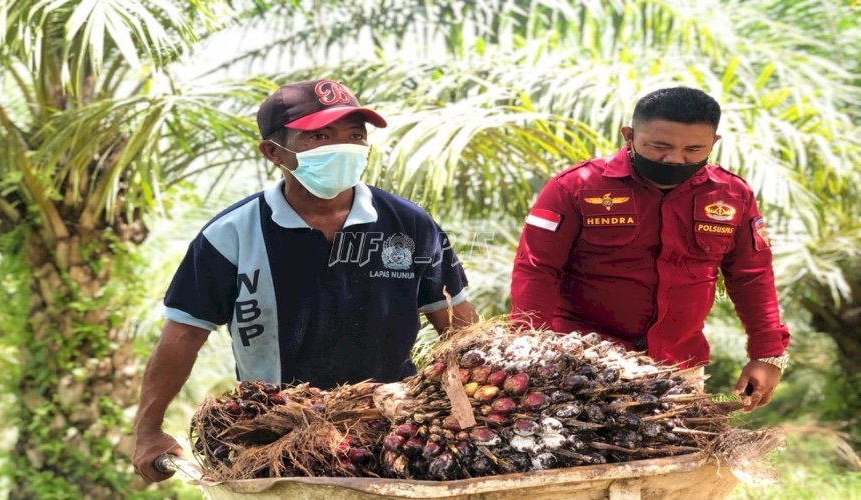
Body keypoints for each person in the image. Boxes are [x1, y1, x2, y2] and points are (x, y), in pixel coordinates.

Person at [132, 79, 477, 482]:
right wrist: (148, 429)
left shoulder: (410, 225)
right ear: (274, 152)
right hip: (273, 439)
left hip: (391, 431)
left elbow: (458, 327)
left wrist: (473, 412)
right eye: (320, 135)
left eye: (354, 136)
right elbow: (184, 334)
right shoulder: (231, 234)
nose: (343, 147)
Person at [510, 87, 789, 412]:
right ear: (629, 136)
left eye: (693, 149)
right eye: (660, 146)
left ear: (713, 144)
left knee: (680, 461)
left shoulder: (732, 195)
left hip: (680, 370)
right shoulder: (575, 187)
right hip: (580, 367)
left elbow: (752, 276)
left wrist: (767, 355)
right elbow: (537, 269)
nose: (675, 159)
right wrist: (530, 353)